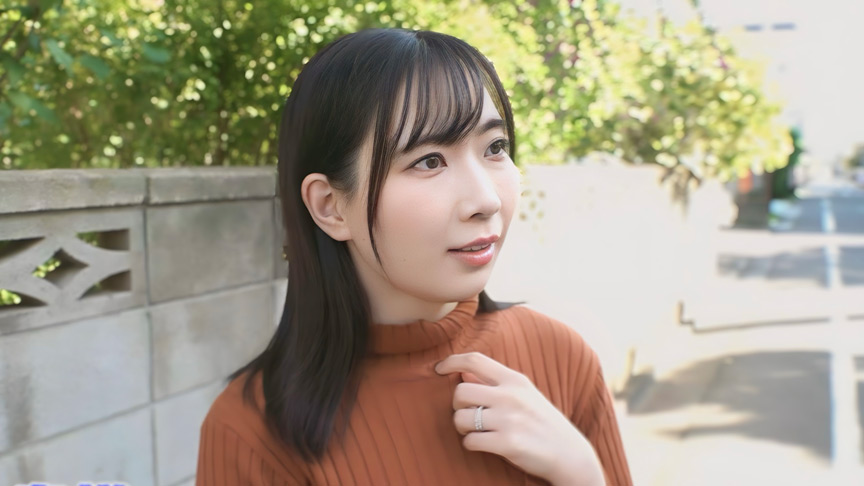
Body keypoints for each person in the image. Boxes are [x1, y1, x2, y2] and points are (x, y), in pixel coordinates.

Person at [196, 28, 632, 486]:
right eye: (429, 161)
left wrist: (582, 473)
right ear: (330, 207)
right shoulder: (250, 433)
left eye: (495, 148)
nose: (486, 200)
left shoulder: (560, 357)